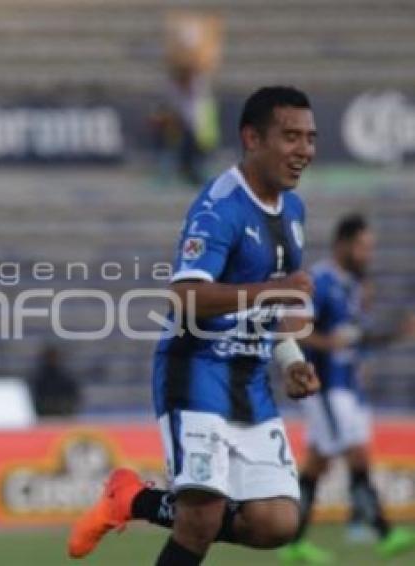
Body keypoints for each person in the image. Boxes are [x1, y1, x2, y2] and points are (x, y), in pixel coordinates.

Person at [68, 86, 321, 565]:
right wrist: (274, 290)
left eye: (310, 138)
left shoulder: (294, 210)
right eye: (290, 137)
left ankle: (133, 499)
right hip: (197, 372)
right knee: (200, 517)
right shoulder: (220, 206)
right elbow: (184, 299)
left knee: (277, 523)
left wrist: (291, 360)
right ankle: (135, 501)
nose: (304, 150)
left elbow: (271, 300)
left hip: (250, 382)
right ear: (252, 138)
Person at [279, 214, 415, 564]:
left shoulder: (354, 286)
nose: (368, 254)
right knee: (355, 453)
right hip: (324, 388)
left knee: (317, 464)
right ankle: (383, 531)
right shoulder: (320, 282)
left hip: (348, 387)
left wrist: (398, 333)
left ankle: (293, 540)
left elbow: (356, 338)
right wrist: (330, 343)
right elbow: (296, 331)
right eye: (362, 246)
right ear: (343, 244)